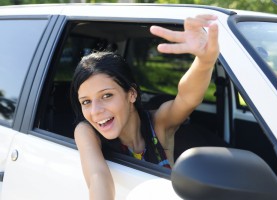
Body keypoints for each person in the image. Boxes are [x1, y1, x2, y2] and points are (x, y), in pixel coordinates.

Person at [70, 14, 219, 200]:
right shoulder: (86, 131)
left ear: (131, 94)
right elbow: (98, 177)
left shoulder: (158, 124)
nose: (95, 111)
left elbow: (187, 98)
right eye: (86, 101)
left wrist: (205, 62)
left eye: (106, 95)